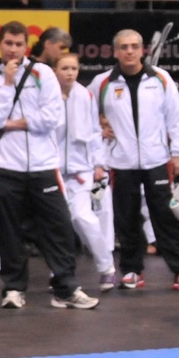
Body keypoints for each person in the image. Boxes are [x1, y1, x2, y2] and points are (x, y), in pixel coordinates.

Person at [0, 21, 100, 310]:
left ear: (27, 46)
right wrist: (7, 85)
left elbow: (51, 117)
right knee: (10, 231)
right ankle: (13, 288)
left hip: (44, 164)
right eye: (8, 43)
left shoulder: (43, 74)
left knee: (60, 227)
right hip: (6, 165)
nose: (13, 49)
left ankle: (66, 288)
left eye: (19, 44)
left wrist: (13, 123)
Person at [90, 29, 179, 291]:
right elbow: (85, 114)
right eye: (124, 47)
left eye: (134, 46)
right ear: (115, 52)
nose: (129, 51)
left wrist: (178, 153)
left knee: (165, 216)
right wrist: (98, 131)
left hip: (157, 159)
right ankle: (131, 270)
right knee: (126, 218)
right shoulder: (102, 83)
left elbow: (175, 117)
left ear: (143, 50)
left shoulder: (160, 78)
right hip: (120, 161)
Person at [54, 52, 117, 290]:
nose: (70, 73)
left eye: (74, 68)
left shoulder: (86, 95)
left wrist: (99, 164)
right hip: (52, 169)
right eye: (65, 68)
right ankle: (59, 273)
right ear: (55, 71)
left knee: (83, 217)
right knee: (56, 223)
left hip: (80, 169)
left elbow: (94, 132)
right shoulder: (46, 94)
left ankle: (107, 267)